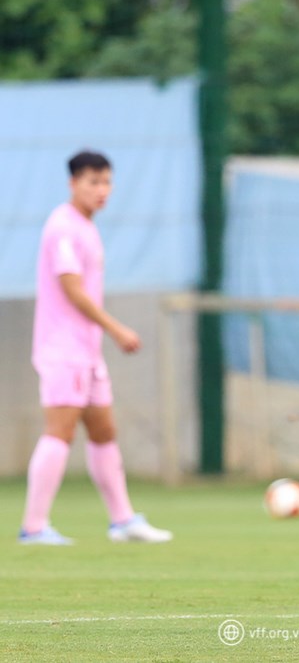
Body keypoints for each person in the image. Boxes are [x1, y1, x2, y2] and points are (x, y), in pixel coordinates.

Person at [19, 151, 173, 545]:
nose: (102, 190)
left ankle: (123, 521)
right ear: (73, 183)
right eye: (93, 182)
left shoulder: (86, 226)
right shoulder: (62, 227)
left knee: (104, 431)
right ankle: (33, 527)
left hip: (86, 351)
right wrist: (116, 329)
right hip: (63, 349)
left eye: (106, 182)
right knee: (60, 432)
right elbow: (72, 290)